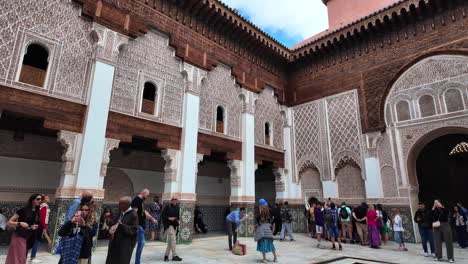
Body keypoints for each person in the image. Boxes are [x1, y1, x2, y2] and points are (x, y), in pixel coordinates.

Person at [6, 193, 43, 264]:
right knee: (19, 258)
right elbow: (9, 222)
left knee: (23, 257)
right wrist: (20, 223)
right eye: (38, 199)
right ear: (32, 200)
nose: (40, 200)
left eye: (41, 199)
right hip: (19, 236)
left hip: (30, 237)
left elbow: (33, 223)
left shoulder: (38, 212)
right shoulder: (23, 210)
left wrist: (33, 226)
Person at [106, 196, 138, 264]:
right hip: (115, 242)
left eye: (120, 204)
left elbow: (134, 230)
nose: (119, 205)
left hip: (125, 244)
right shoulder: (119, 212)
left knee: (122, 260)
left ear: (126, 205)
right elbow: (114, 223)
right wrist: (108, 219)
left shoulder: (133, 214)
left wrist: (122, 225)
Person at [131, 189, 158, 264]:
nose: (147, 197)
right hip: (138, 225)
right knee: (141, 242)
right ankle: (137, 262)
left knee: (140, 243)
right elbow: (134, 213)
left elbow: (144, 212)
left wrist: (152, 219)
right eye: (147, 195)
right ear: (143, 193)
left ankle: (137, 261)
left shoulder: (141, 201)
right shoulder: (136, 200)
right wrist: (136, 225)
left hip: (141, 225)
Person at [30, 194, 51, 263]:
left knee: (36, 240)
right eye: (47, 197)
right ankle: (33, 257)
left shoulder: (42, 206)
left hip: (41, 225)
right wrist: (44, 228)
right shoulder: (44, 206)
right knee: (37, 240)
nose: (48, 198)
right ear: (44, 199)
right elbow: (43, 218)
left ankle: (33, 256)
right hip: (41, 225)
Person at [161, 197, 182, 262]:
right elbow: (163, 216)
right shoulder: (167, 207)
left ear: (177, 200)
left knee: (170, 242)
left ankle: (166, 256)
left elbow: (178, 216)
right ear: (171, 201)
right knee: (173, 240)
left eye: (175, 199)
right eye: (173, 199)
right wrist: (169, 218)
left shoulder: (178, 207)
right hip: (169, 225)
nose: (174, 200)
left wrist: (177, 220)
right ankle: (174, 255)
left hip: (175, 225)